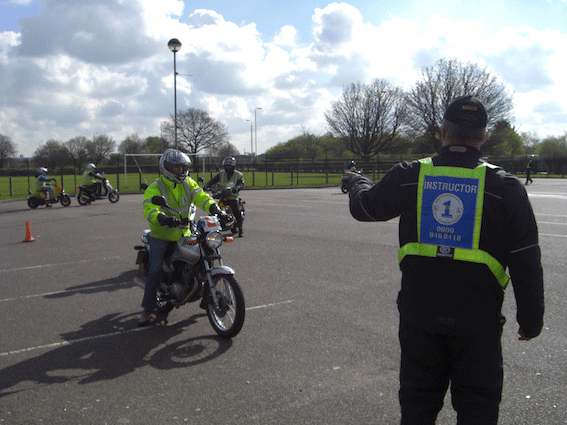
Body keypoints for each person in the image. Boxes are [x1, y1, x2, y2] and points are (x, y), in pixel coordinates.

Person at [347, 96, 544, 425]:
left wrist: (357, 183)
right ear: (483, 137)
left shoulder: (410, 175)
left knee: (417, 406)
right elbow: (527, 262)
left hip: (419, 317)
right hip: (478, 323)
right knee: (478, 408)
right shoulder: (505, 187)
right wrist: (531, 320)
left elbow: (365, 208)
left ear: (442, 132)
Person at [139, 149, 229, 326]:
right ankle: (147, 309)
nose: (180, 170)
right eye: (176, 167)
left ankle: (206, 296)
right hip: (162, 235)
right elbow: (149, 208)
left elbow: (201, 197)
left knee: (205, 255)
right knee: (155, 270)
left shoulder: (188, 182)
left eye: (182, 167)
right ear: (166, 167)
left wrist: (217, 210)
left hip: (186, 233)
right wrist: (162, 218)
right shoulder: (156, 187)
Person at [204, 156, 245, 237]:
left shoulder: (238, 175)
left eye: (229, 166)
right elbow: (213, 180)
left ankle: (240, 229)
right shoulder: (221, 174)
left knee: (237, 212)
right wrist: (207, 185)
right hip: (222, 196)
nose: (227, 167)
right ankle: (210, 229)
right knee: (213, 210)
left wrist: (236, 189)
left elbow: (241, 184)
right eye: (226, 166)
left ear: (233, 166)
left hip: (233, 198)